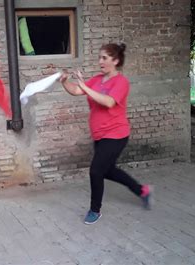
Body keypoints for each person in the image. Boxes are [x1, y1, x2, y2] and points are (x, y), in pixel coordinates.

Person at [59, 43, 152, 225]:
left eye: (104, 58)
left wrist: (84, 87)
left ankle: (95, 210)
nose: (100, 61)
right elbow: (76, 90)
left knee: (96, 171)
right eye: (99, 57)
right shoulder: (96, 80)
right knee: (108, 171)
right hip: (99, 136)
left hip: (116, 134)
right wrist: (64, 82)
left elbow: (109, 102)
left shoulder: (121, 82)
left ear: (115, 61)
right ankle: (143, 191)